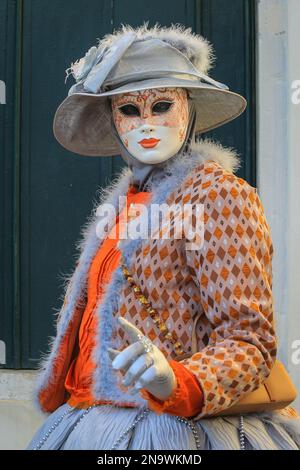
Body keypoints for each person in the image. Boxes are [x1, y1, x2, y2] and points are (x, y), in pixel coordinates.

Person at [26, 23, 300, 450]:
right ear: (113, 119)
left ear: (188, 109)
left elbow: (250, 341)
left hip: (174, 430)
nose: (147, 123)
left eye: (162, 105)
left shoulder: (218, 195)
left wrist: (178, 378)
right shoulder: (121, 205)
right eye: (130, 111)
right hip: (88, 419)